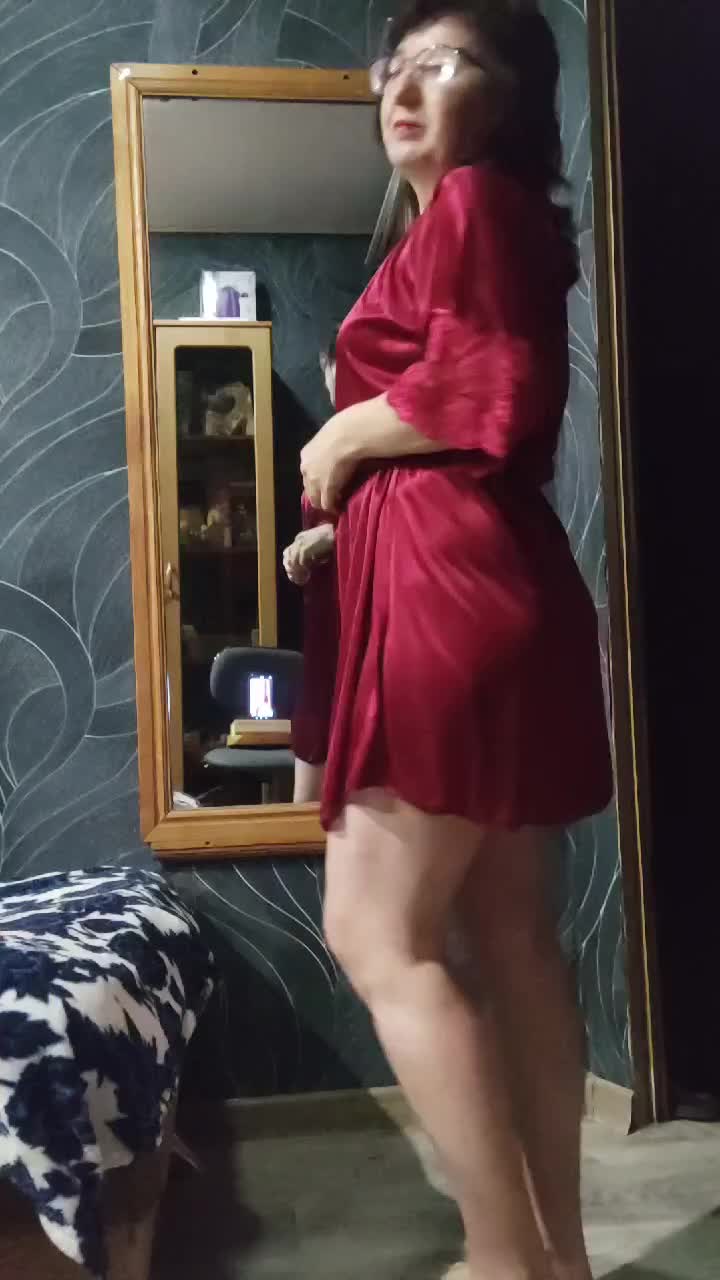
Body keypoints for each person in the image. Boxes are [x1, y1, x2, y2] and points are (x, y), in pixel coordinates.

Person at [299, 3, 614, 1277]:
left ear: (512, 96)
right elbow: (490, 393)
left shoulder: (478, 204)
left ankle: (503, 1258)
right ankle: (559, 1258)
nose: (409, 85)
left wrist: (346, 434)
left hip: (444, 582)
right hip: (493, 577)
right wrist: (341, 518)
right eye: (400, 64)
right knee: (513, 932)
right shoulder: (483, 223)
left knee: (378, 932)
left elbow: (497, 386)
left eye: (450, 64)